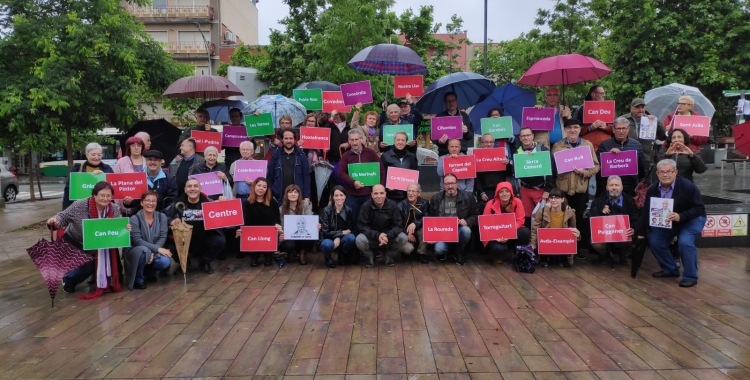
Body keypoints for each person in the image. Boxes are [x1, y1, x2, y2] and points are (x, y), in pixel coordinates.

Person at [47, 182, 130, 296]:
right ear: (94, 195)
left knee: (106, 263)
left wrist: (125, 228)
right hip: (76, 242)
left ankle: (106, 277)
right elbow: (63, 216)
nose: (105, 199)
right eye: (102, 195)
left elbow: (117, 229)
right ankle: (68, 279)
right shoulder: (79, 205)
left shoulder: (114, 208)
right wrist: (54, 221)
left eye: (108, 196)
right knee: (88, 265)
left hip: (99, 244)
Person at [637, 159, 706, 288]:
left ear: (676, 172)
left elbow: (699, 209)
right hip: (668, 221)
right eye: (662, 172)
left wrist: (681, 216)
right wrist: (640, 232)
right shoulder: (652, 189)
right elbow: (647, 211)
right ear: (657, 174)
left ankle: (690, 276)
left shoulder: (687, 186)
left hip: (691, 219)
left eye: (669, 171)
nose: (665, 175)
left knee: (685, 242)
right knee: (655, 240)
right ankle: (670, 269)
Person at [552, 118, 600, 254]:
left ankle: (576, 249)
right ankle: (562, 248)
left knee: (577, 219)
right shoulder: (558, 146)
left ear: (580, 129)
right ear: (565, 130)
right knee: (561, 218)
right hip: (563, 190)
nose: (572, 130)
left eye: (575, 127)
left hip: (580, 190)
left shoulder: (587, 145)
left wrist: (584, 172)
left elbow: (596, 166)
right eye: (569, 128)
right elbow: (553, 169)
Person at [164, 178, 225, 274]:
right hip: (183, 241)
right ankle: (184, 262)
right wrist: (171, 220)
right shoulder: (177, 204)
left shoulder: (209, 202)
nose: (192, 189)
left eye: (195, 186)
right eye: (189, 186)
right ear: (185, 189)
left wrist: (223, 202)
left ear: (200, 189)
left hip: (204, 239)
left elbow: (225, 212)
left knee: (220, 241)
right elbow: (163, 215)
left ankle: (205, 262)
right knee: (170, 246)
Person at [338, 128, 386, 234]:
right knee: (353, 221)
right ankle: (354, 247)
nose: (354, 142)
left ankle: (367, 243)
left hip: (369, 194)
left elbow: (381, 169)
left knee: (369, 220)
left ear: (361, 139)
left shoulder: (371, 153)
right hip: (352, 195)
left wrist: (380, 187)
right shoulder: (346, 156)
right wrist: (353, 182)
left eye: (356, 139)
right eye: (352, 140)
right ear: (349, 141)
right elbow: (341, 173)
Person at [123, 190, 172, 290]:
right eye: (147, 200)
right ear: (141, 202)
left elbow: (163, 236)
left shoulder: (161, 217)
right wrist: (156, 250)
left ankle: (150, 273)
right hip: (137, 251)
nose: (150, 203)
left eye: (153, 201)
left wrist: (154, 251)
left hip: (154, 250)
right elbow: (137, 241)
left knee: (165, 261)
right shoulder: (134, 218)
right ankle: (138, 280)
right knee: (143, 251)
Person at [428, 173, 480, 265]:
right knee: (439, 249)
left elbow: (476, 216)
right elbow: (430, 218)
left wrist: (467, 221)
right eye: (447, 184)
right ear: (443, 185)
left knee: (466, 230)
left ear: (457, 184)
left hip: (459, 228)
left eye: (452, 183)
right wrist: (432, 235)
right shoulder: (436, 198)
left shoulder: (468, 197)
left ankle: (458, 251)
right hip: (442, 230)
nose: (450, 186)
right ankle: (446, 252)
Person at [588, 176, 639, 264]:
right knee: (595, 242)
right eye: (611, 185)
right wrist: (601, 213)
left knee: (636, 236)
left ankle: (624, 254)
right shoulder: (598, 201)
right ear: (607, 187)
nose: (614, 187)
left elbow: (636, 219)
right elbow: (591, 220)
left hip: (623, 235)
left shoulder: (630, 201)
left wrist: (633, 229)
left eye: (617, 185)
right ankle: (605, 255)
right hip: (605, 235)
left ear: (622, 187)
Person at [509, 127, 553, 227]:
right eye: (523, 136)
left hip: (541, 189)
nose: (526, 138)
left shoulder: (542, 149)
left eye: (528, 135)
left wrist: (548, 189)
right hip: (525, 189)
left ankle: (543, 240)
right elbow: (514, 173)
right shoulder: (517, 152)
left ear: (533, 136)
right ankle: (530, 241)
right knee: (527, 217)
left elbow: (551, 170)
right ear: (520, 138)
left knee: (543, 216)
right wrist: (522, 159)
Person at [355, 184, 408, 268]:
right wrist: (377, 235)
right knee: (359, 239)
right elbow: (362, 226)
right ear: (371, 195)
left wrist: (387, 235)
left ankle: (388, 255)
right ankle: (369, 256)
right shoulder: (366, 206)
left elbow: (398, 225)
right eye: (376, 193)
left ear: (385, 194)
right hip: (372, 238)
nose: (379, 196)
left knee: (403, 237)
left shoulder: (393, 205)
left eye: (381, 193)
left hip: (388, 238)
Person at [596, 117, 649, 198]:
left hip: (631, 188)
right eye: (618, 129)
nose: (621, 131)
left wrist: (641, 187)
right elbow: (598, 166)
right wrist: (609, 155)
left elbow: (642, 169)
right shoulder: (604, 145)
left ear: (628, 129)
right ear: (613, 130)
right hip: (610, 189)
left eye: (624, 128)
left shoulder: (636, 145)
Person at [530, 188, 580, 267]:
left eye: (557, 198)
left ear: (562, 199)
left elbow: (573, 229)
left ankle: (563, 258)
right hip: (546, 242)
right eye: (551, 198)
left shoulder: (570, 213)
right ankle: (544, 258)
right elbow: (534, 230)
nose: (553, 200)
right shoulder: (542, 212)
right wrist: (533, 245)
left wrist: (578, 235)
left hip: (562, 243)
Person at [483, 182, 531, 264]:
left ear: (511, 192)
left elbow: (520, 220)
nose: (504, 194)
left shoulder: (517, 202)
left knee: (525, 232)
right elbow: (485, 223)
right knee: (497, 248)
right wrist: (496, 236)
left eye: (507, 191)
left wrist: (508, 233)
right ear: (497, 193)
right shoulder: (490, 203)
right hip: (495, 234)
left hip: (511, 232)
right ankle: (497, 256)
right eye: (501, 192)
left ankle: (515, 253)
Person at [238, 177, 280, 267]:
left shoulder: (272, 202)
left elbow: (276, 218)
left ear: (267, 189)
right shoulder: (247, 203)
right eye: (259, 185)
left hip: (268, 232)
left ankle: (268, 255)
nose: (261, 188)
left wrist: (276, 224)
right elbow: (245, 221)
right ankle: (254, 256)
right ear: (254, 186)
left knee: (268, 261)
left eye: (264, 187)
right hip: (253, 233)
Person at [62, 142, 114, 210]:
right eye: (93, 155)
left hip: (102, 207)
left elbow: (112, 188)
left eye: (99, 155)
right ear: (87, 155)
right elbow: (68, 191)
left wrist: (103, 174)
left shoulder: (107, 169)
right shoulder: (77, 168)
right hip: (81, 208)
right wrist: (65, 211)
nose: (96, 157)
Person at [267, 129, 310, 203]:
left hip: (297, 197)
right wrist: (270, 195)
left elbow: (306, 177)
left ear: (294, 139)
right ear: (282, 140)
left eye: (291, 138)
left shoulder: (301, 155)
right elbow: (270, 176)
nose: (288, 141)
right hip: (278, 197)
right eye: (286, 138)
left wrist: (306, 196)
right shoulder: (275, 155)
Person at [620, 98, 666, 164]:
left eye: (642, 107)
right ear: (631, 108)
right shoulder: (623, 119)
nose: (640, 110)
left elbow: (662, 133)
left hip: (646, 156)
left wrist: (656, 121)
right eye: (637, 107)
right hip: (627, 155)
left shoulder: (650, 119)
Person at [278, 184, 315, 266]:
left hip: (303, 235)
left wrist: (315, 225)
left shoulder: (305, 204)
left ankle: (302, 253)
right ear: (286, 194)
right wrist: (281, 234)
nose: (293, 194)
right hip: (289, 237)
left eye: (295, 192)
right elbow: (280, 226)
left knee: (314, 232)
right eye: (290, 192)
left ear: (299, 194)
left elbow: (310, 219)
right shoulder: (281, 209)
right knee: (288, 245)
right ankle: (290, 253)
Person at [319, 185, 356, 268]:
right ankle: (327, 257)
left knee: (351, 238)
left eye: (341, 195)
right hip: (327, 238)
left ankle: (342, 254)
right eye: (336, 195)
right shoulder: (326, 210)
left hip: (341, 237)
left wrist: (338, 237)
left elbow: (349, 229)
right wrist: (341, 233)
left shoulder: (349, 210)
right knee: (326, 244)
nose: (339, 198)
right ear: (333, 197)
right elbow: (325, 232)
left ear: (345, 196)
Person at [381, 131, 418, 202]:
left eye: (403, 140)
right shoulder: (385, 156)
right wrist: (387, 186)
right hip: (391, 196)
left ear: (406, 142)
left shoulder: (411, 156)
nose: (400, 142)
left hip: (407, 195)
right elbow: (382, 175)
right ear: (394, 141)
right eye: (398, 140)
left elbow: (415, 175)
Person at [398, 183, 431, 263]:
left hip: (418, 229)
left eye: (413, 191)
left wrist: (415, 223)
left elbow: (427, 218)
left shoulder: (425, 203)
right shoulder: (400, 205)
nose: (410, 193)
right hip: (405, 231)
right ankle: (407, 252)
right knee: (408, 250)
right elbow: (397, 224)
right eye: (409, 191)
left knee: (425, 229)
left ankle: (421, 253)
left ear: (419, 193)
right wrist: (407, 233)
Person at [576, 84, 615, 152]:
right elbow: (575, 129)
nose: (604, 95)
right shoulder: (582, 109)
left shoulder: (609, 108)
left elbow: (616, 128)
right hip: (588, 146)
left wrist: (606, 127)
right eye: (602, 93)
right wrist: (590, 128)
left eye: (604, 93)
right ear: (593, 94)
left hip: (606, 146)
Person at [475, 133, 511, 205]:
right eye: (486, 142)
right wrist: (481, 192)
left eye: (491, 142)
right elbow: (475, 178)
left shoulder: (501, 155)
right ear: (481, 143)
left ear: (494, 143)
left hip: (500, 192)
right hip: (484, 193)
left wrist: (508, 164)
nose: (489, 144)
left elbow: (510, 173)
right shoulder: (476, 156)